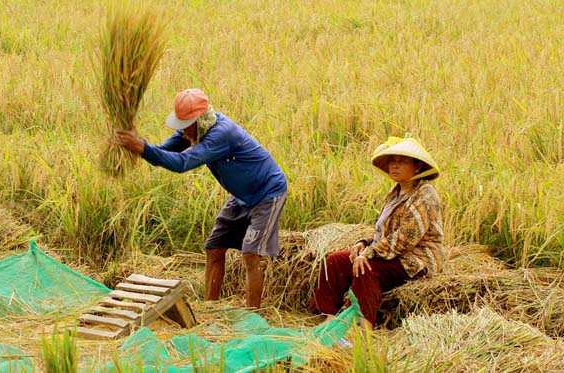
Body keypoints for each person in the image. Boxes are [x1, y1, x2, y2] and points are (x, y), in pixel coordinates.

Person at [115, 88, 287, 309]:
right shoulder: (194, 130)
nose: (183, 132)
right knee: (214, 248)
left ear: (200, 119)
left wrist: (142, 147)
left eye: (186, 126)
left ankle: (253, 316)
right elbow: (163, 152)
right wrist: (138, 144)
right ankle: (209, 310)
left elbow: (181, 163)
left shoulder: (221, 134)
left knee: (251, 254)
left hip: (267, 193)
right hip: (241, 196)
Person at [312, 136, 444, 329]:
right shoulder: (395, 193)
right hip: (390, 254)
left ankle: (361, 326)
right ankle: (329, 316)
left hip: (415, 259)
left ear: (417, 167)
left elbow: (405, 238)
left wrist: (369, 253)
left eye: (401, 162)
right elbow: (383, 230)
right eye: (392, 162)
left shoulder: (425, 195)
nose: (394, 166)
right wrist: (363, 244)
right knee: (335, 261)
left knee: (367, 268)